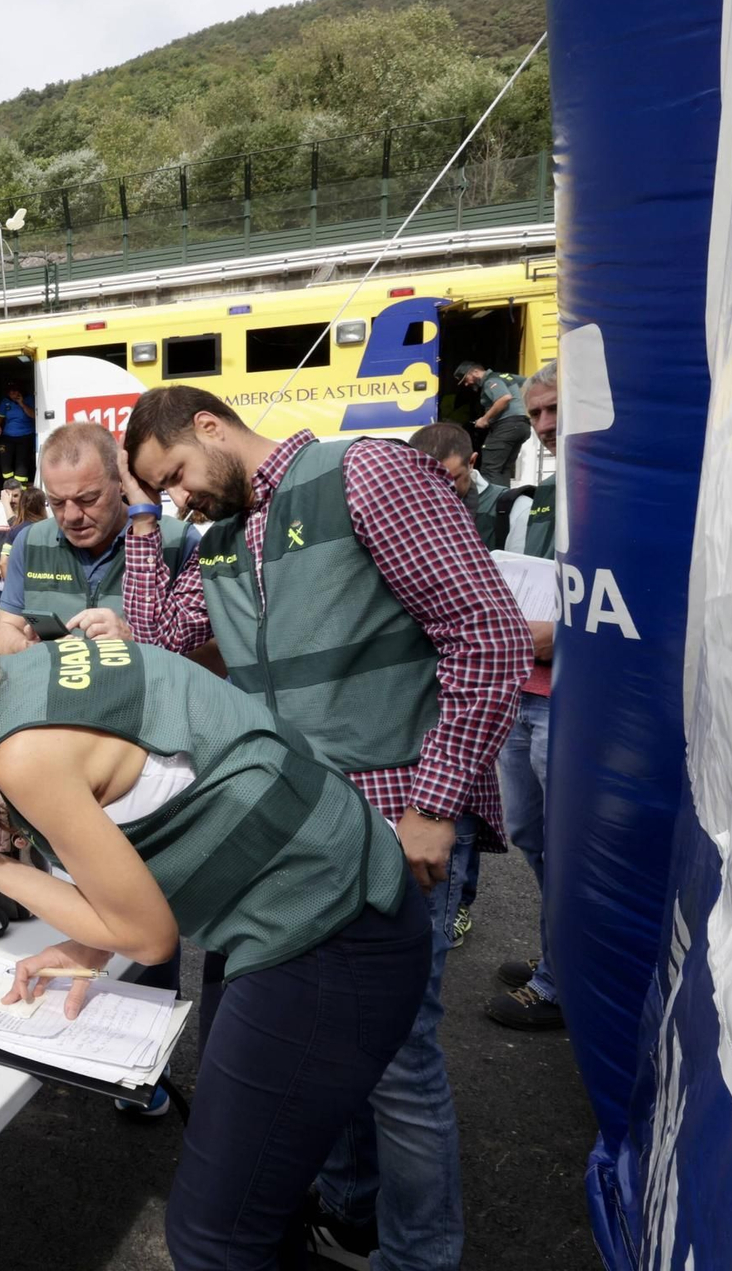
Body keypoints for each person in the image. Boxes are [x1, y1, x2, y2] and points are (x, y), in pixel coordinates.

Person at [0, 618, 429, 1269]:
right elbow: (146, 792)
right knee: (249, 1206)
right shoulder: (22, 672)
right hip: (302, 883)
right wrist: (89, 943)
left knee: (212, 1238)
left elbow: (150, 936)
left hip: (332, 928)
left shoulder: (23, 756)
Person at [120, 385, 530, 1271]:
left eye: (179, 478)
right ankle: (352, 1215)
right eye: (165, 492)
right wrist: (147, 524)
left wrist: (435, 804)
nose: (181, 499)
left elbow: (487, 632)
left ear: (209, 425)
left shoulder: (366, 472)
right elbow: (152, 635)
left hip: (397, 817)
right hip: (297, 839)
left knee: (396, 1064)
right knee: (334, 1057)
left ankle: (420, 1256)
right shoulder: (222, 537)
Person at [479, 362, 563, 1030]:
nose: (545, 426)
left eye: (555, 410)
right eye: (535, 414)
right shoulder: (537, 495)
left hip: (572, 699)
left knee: (569, 842)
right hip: (522, 692)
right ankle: (557, 957)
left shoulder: (616, 496)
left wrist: (564, 637)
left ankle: (563, 979)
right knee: (534, 834)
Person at [0, 422, 192, 656]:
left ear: (121, 483)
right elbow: (2, 636)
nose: (72, 516)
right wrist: (29, 648)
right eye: (56, 502)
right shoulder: (30, 543)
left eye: (87, 499)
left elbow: (214, 657)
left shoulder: (178, 542)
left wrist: (135, 642)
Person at [407, 421, 517, 551]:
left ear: (471, 462)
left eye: (451, 480)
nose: (441, 491)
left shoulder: (515, 510)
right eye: (427, 482)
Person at [454, 361, 534, 483]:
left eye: (466, 379)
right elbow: (531, 383)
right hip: (521, 425)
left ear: (475, 372)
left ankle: (494, 501)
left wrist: (484, 419)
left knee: (490, 468)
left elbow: (504, 398)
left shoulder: (490, 380)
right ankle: (505, 500)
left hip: (506, 426)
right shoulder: (506, 376)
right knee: (503, 468)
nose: (466, 384)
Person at [0, 381, 38, 486]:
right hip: (8, 437)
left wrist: (22, 404)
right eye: (10, 393)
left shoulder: (29, 399)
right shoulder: (5, 401)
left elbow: (33, 415)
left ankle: (20, 490)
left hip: (25, 436)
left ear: (20, 392)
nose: (12, 394)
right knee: (5, 464)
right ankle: (8, 486)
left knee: (21, 464)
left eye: (15, 392)